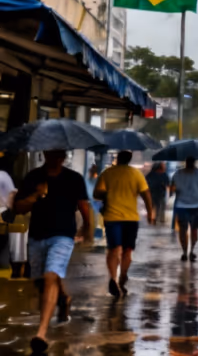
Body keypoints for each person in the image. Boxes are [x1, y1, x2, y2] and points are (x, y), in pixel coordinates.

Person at [12, 150, 93, 354]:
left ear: (63, 157)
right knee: (41, 282)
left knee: (51, 276)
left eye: (59, 155)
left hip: (63, 236)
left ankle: (41, 333)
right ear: (45, 154)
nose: (55, 159)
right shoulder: (33, 177)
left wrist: (87, 227)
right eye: (51, 154)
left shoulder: (74, 178)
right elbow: (19, 208)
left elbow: (84, 205)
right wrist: (36, 195)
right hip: (37, 236)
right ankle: (63, 298)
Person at [93, 151, 155, 298]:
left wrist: (108, 194)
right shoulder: (136, 174)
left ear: (117, 159)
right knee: (127, 251)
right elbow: (146, 194)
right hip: (131, 218)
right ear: (129, 160)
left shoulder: (107, 173)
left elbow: (97, 194)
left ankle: (113, 278)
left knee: (114, 249)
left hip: (112, 217)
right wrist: (150, 212)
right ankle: (122, 278)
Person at [171, 157, 198, 262]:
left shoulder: (178, 173)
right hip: (196, 205)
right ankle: (191, 251)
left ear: (186, 162)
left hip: (181, 205)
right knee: (194, 229)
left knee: (183, 230)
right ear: (194, 162)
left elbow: (173, 188)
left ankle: (184, 252)